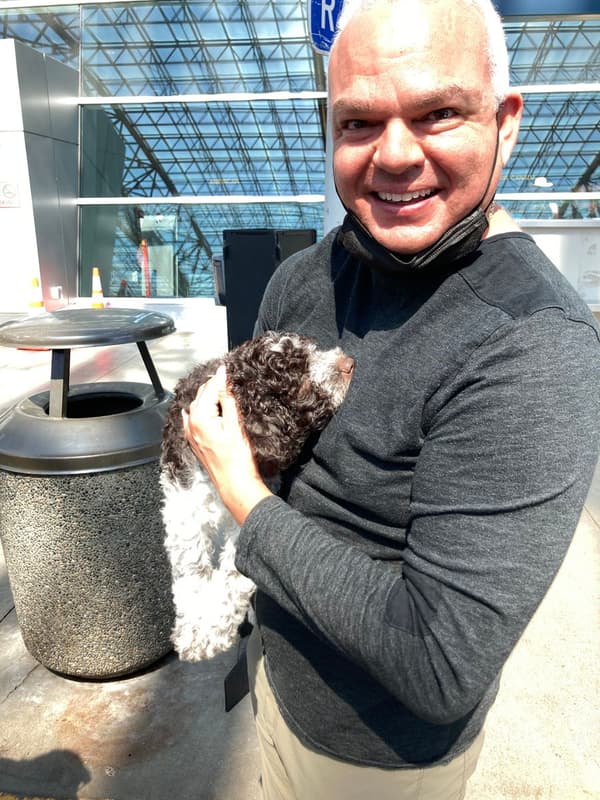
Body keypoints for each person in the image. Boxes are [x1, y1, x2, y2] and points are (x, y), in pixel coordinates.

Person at [182, 0, 600, 797]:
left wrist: (240, 493)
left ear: (505, 121)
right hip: (272, 672)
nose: (396, 155)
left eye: (438, 112)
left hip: (368, 755)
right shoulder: (302, 277)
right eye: (360, 123)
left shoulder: (531, 343)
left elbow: (438, 657)